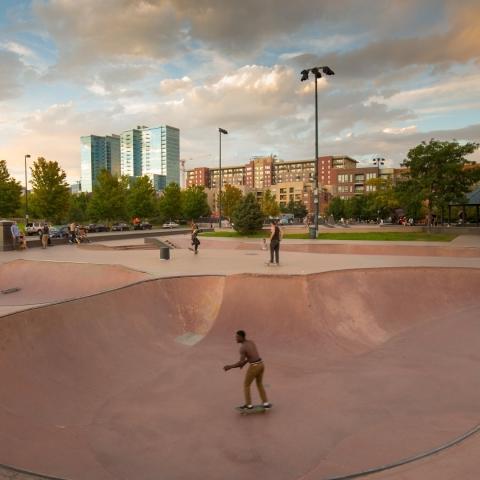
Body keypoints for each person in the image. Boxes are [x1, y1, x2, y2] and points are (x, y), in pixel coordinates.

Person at [223, 330, 271, 410]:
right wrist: (244, 363)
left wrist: (230, 366)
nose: (236, 338)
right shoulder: (251, 342)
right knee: (259, 384)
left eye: (237, 337)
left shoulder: (242, 348)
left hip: (254, 367)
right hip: (261, 365)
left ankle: (249, 405)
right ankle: (266, 403)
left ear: (241, 337)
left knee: (246, 385)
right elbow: (251, 356)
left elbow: (240, 363)